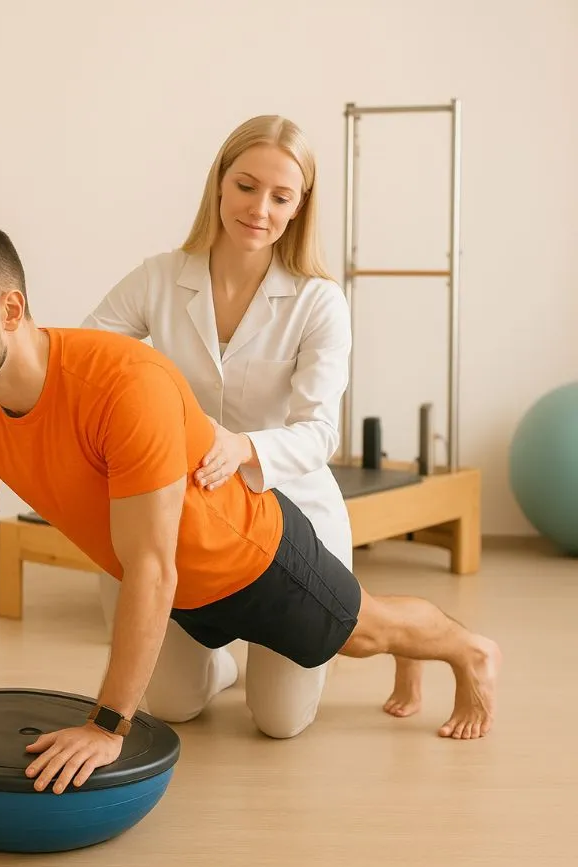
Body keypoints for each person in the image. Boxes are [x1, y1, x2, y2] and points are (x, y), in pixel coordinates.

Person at [0, 219, 501, 797]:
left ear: (10, 310)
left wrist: (106, 726)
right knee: (174, 704)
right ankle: (278, 655)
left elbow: (152, 565)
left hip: (253, 559)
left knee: (338, 662)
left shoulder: (123, 386)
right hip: (175, 589)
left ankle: (462, 649)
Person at [81, 114, 421, 735]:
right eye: (245, 185)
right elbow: (88, 361)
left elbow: (320, 432)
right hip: (184, 512)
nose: (259, 208)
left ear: (300, 206)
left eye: (280, 196)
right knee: (174, 705)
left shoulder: (318, 301)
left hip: (288, 514)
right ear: (219, 182)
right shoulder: (159, 277)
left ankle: (400, 640)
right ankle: (217, 666)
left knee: (279, 722)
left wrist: (241, 447)